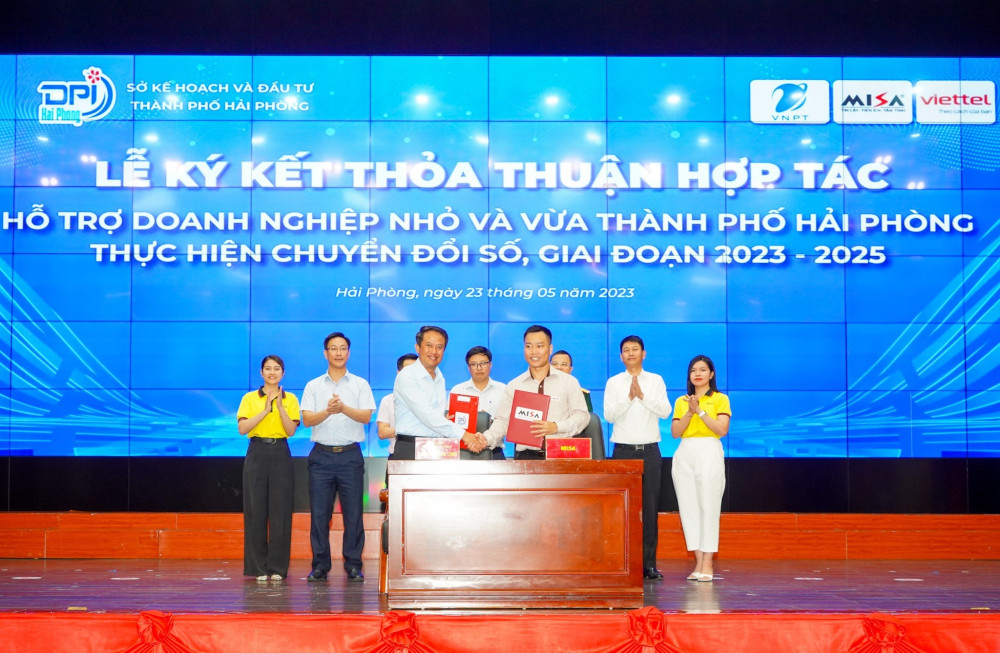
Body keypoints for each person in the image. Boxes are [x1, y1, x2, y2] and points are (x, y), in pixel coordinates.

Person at [300, 332, 375, 583]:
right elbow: (307, 419)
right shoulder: (313, 385)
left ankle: (353, 565)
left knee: (353, 515)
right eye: (333, 348)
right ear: (326, 353)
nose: (339, 352)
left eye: (343, 348)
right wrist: (328, 411)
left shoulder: (360, 384)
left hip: (350, 456)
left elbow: (366, 417)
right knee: (320, 515)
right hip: (321, 457)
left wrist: (343, 408)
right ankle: (320, 565)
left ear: (349, 353)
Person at [603, 335, 672, 581]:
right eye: (626, 350)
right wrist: (629, 398)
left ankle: (648, 565)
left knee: (650, 510)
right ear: (620, 356)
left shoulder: (656, 380)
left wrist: (642, 396)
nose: (630, 353)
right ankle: (621, 563)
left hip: (650, 451)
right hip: (623, 452)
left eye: (635, 349)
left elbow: (666, 411)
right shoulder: (613, 382)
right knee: (621, 511)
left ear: (644, 354)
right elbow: (609, 415)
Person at [481, 325, 590, 459]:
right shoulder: (515, 385)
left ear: (550, 349)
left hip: (561, 455)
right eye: (528, 346)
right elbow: (503, 421)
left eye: (539, 346)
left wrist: (556, 427)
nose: (533, 352)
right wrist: (486, 439)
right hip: (526, 457)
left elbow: (582, 417)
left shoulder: (569, 382)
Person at [237, 355, 299, 582]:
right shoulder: (249, 398)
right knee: (255, 510)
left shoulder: (290, 398)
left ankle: (277, 568)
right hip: (256, 452)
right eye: (268, 368)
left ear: (283, 373)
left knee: (281, 511)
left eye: (277, 369)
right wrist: (264, 410)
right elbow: (242, 428)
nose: (272, 372)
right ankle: (258, 568)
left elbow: (290, 431)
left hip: (280, 451)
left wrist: (280, 407)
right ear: (261, 373)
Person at [670, 354, 731, 582]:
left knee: (709, 507)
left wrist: (701, 412)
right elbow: (675, 432)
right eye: (694, 370)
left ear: (711, 374)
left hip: (709, 451)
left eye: (703, 369)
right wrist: (690, 411)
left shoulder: (720, 399)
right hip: (685, 452)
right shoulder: (682, 401)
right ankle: (698, 562)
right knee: (688, 509)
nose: (698, 373)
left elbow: (721, 429)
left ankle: (708, 562)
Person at [392, 325, 478, 460]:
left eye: (439, 347)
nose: (434, 351)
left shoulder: (439, 377)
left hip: (436, 447)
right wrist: (464, 435)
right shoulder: (407, 376)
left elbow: (436, 416)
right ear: (417, 348)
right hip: (411, 447)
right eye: (429, 345)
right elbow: (427, 415)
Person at [450, 346, 507, 460]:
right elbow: (451, 423)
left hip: (494, 450)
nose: (479, 368)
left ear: (490, 365)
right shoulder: (457, 390)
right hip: (463, 451)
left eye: (483, 363)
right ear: (468, 367)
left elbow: (507, 422)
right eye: (474, 364)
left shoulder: (503, 390)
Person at [377, 353, 418, 486]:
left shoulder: (430, 400)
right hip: (397, 458)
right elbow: (382, 432)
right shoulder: (388, 400)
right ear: (398, 373)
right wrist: (410, 427)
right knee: (394, 498)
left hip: (425, 459)